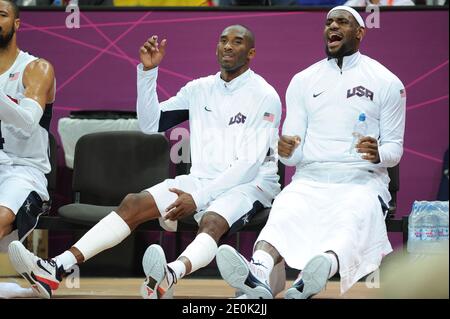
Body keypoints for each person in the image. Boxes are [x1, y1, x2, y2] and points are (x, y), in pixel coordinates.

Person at [8, 24, 282, 299]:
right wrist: (148, 74)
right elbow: (151, 123)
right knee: (134, 203)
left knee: (212, 220)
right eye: (223, 40)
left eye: (237, 42)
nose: (228, 46)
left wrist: (198, 198)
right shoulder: (200, 89)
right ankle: (57, 267)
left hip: (250, 184)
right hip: (201, 180)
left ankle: (170, 274)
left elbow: (248, 165)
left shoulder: (265, 95)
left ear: (251, 53)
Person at [216, 5, 406, 299]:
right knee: (283, 213)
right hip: (309, 179)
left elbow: (395, 149)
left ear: (360, 32)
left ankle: (306, 282)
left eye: (342, 22)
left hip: (361, 181)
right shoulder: (303, 81)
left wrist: (379, 152)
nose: (333, 27)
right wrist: (286, 151)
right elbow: (292, 154)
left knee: (350, 220)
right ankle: (259, 276)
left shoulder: (387, 82)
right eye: (329, 22)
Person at [0, 0, 55, 243]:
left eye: (1, 15)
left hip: (24, 169)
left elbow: (28, 122)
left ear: (17, 23)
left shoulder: (36, 68)